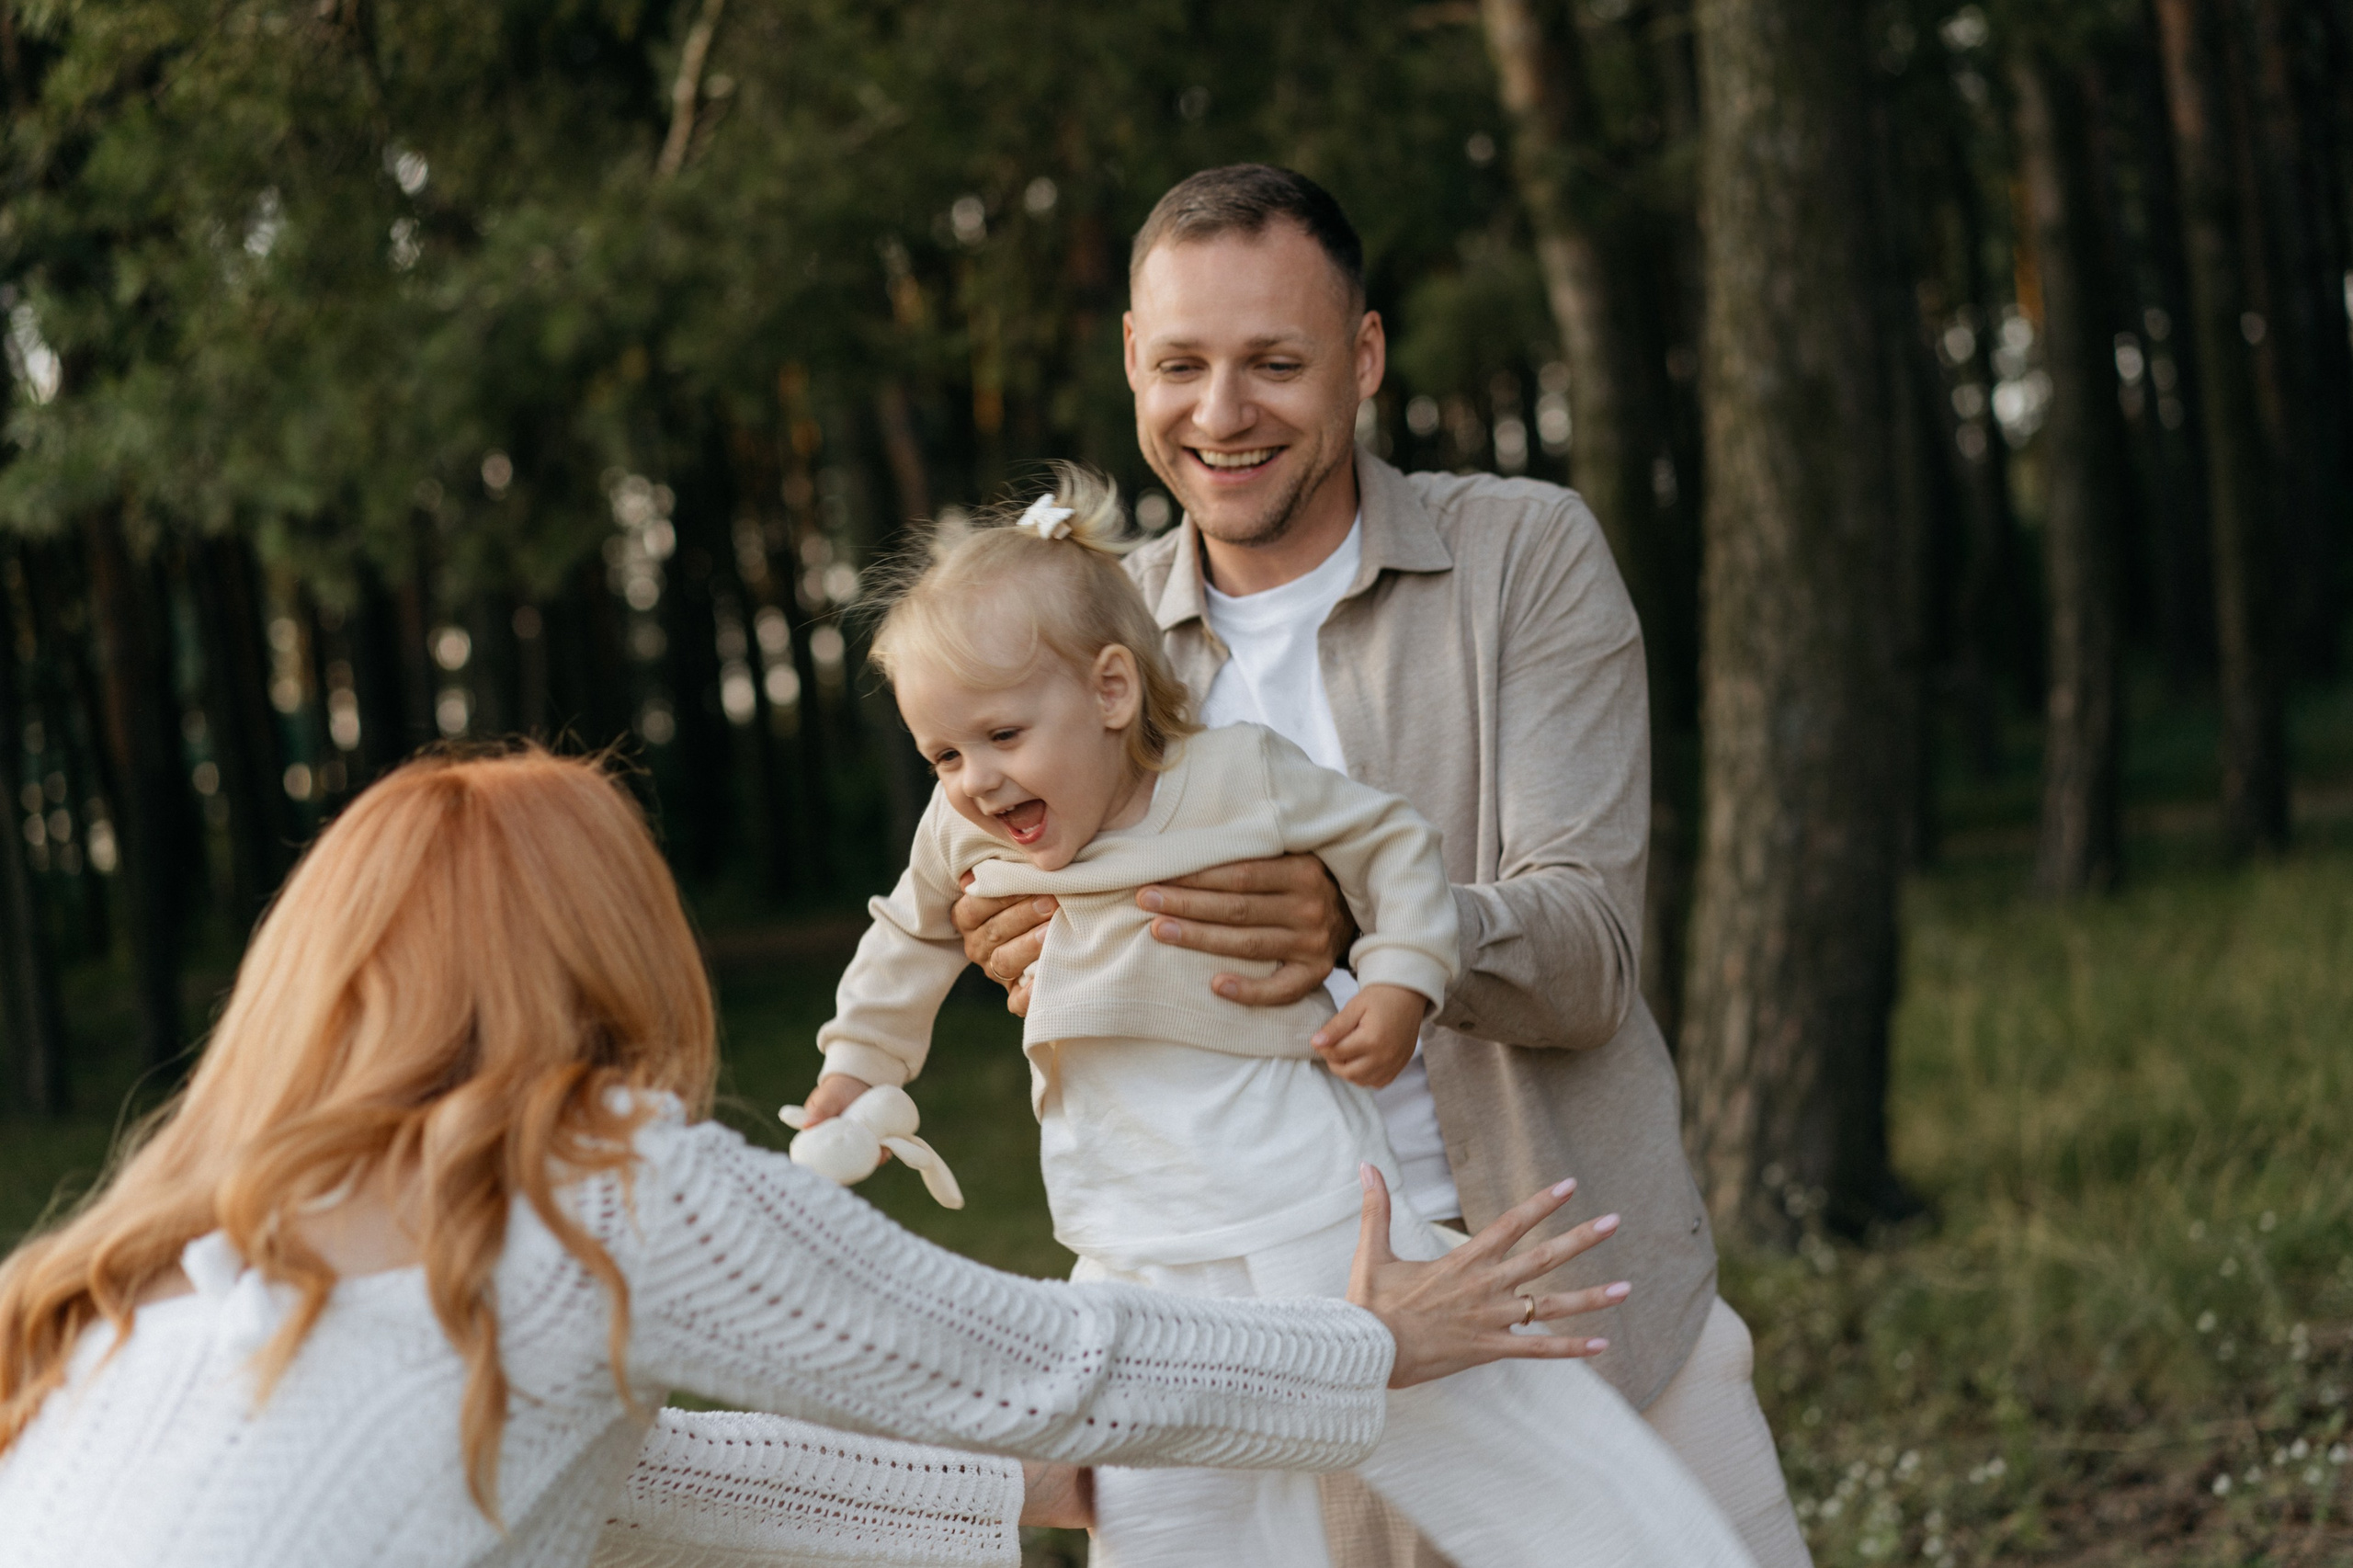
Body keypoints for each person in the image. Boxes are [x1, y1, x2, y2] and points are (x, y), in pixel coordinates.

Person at [0, 748, 1635, 1568]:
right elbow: (1047, 1361)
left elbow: (638, 1476)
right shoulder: (598, 1184)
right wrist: (1372, 1347)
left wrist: (1035, 1494)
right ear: (605, 954)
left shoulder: (181, 1249)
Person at [954, 164, 1813, 1568]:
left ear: (1362, 359)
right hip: (1272, 1349)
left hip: (1568, 1299)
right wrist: (1024, 941)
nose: (1221, 414)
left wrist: (1363, 921)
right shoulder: (1090, 645)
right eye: (1181, 364)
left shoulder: (1522, 557)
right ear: (1130, 361)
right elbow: (1033, 922)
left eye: (1274, 363)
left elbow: (1590, 947)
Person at [796, 470, 1753, 1568]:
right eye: (943, 754)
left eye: (1001, 735)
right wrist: (859, 1064)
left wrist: (1397, 978)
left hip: (1300, 1201)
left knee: (1469, 1426)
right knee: (1166, 1513)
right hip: (1130, 1233)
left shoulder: (1235, 775)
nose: (971, 781)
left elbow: (1389, 847)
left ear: (1112, 691)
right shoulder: (969, 830)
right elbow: (906, 936)